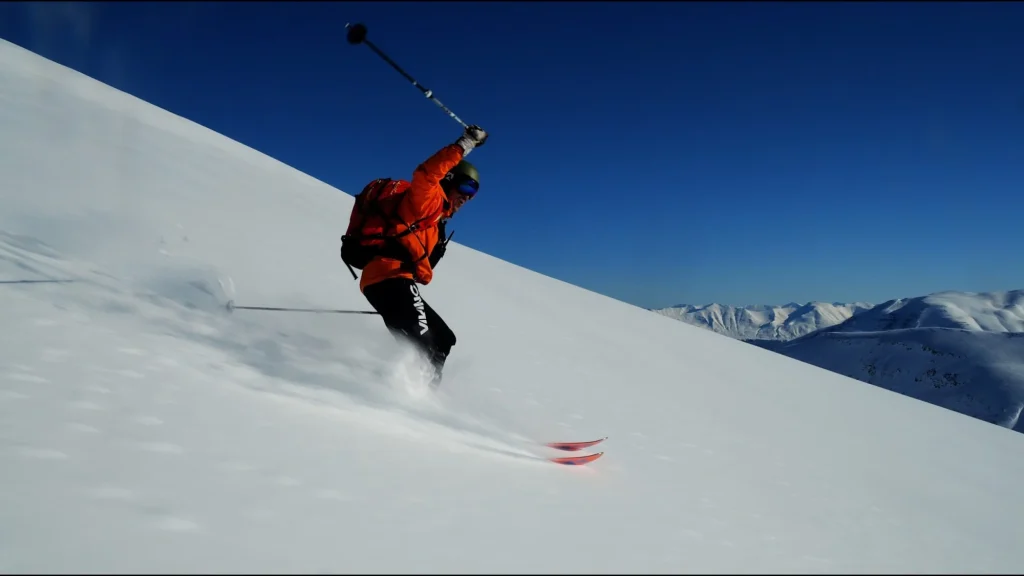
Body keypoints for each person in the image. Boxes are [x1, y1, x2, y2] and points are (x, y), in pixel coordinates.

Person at [341, 124, 488, 388]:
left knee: (444, 339)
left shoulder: (435, 226)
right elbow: (426, 174)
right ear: (450, 180)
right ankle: (398, 395)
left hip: (396, 281)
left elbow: (421, 271)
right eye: (466, 188)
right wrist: (465, 144)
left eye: (473, 194)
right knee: (424, 344)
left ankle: (425, 392)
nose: (467, 198)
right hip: (387, 276)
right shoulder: (426, 201)